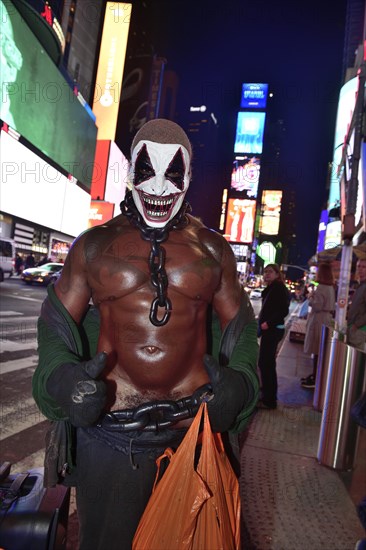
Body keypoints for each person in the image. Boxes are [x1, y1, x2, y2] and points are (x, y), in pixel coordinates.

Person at [32, 119, 259, 549]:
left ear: (189, 178)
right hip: (112, 437)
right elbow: (56, 322)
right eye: (146, 170)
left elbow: (242, 326)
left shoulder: (213, 251)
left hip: (192, 435)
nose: (158, 186)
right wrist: (64, 381)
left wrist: (241, 384)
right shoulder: (93, 246)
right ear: (130, 174)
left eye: (173, 173)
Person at [257, 263, 290, 409]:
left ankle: (270, 400)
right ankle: (266, 394)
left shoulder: (279, 289)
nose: (267, 274)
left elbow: (283, 310)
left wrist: (268, 323)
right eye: (265, 272)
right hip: (269, 330)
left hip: (273, 330)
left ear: (277, 274)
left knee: (267, 363)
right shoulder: (271, 288)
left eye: (270, 272)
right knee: (265, 363)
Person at [301, 263, 335, 389]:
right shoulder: (330, 287)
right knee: (320, 349)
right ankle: (316, 375)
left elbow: (317, 306)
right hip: (326, 319)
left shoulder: (321, 287)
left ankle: (315, 378)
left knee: (316, 348)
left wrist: (310, 297)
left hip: (318, 319)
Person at [347, 258, 366, 351]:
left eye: (364, 267)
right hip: (354, 330)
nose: (360, 269)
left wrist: (356, 325)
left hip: (360, 331)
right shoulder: (360, 285)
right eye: (359, 266)